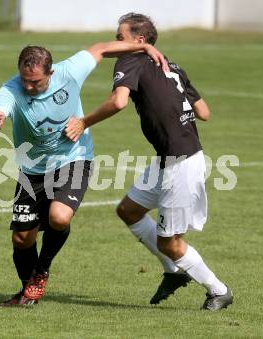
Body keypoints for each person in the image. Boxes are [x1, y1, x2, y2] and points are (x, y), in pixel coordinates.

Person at [65, 13, 233, 311]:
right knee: (129, 210)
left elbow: (118, 101)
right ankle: (173, 272)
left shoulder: (130, 60)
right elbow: (204, 112)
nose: (117, 42)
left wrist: (83, 121)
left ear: (138, 41)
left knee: (171, 243)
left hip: (181, 162)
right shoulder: (172, 65)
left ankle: (218, 290)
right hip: (169, 158)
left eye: (120, 37)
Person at [0, 40, 167, 306]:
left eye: (36, 82)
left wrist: (144, 48)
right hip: (32, 169)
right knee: (22, 238)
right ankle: (27, 291)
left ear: (51, 72)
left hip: (74, 159)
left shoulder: (69, 71)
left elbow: (101, 49)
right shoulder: (11, 89)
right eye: (25, 80)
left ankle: (42, 270)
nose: (29, 87)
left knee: (59, 216)